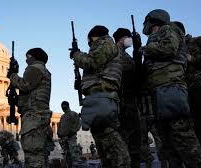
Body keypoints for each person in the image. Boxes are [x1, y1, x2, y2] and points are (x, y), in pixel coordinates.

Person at [142, 9, 201, 167]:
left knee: (184, 138)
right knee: (168, 143)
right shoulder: (155, 37)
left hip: (171, 89)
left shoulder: (168, 29)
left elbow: (169, 48)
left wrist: (145, 49)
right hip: (160, 92)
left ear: (153, 20)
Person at [70, 25, 130, 167]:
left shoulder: (104, 43)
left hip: (103, 96)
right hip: (98, 97)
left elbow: (92, 63)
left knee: (110, 139)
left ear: (94, 37)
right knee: (103, 143)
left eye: (90, 41)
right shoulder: (106, 46)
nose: (90, 44)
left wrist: (76, 54)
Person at [8, 48, 52, 168]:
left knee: (32, 152)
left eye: (27, 56)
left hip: (34, 116)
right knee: (39, 154)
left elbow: (24, 85)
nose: (26, 60)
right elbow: (32, 92)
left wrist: (13, 76)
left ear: (33, 57)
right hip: (39, 113)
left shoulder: (35, 68)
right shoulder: (44, 70)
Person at [113, 28, 142, 168]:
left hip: (131, 101)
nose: (130, 39)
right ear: (120, 39)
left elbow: (138, 74)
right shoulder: (114, 53)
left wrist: (137, 51)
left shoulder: (127, 56)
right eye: (128, 37)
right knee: (123, 141)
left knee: (135, 142)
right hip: (122, 101)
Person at [186, 34, 201, 165]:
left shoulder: (197, 41)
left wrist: (193, 58)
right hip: (192, 91)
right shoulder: (178, 48)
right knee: (200, 131)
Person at [57, 101, 81, 167]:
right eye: (62, 107)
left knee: (74, 154)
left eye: (63, 106)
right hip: (63, 139)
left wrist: (72, 132)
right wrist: (59, 133)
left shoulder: (73, 114)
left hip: (71, 137)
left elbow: (78, 124)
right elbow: (60, 126)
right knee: (67, 155)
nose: (62, 108)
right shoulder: (62, 116)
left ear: (67, 106)